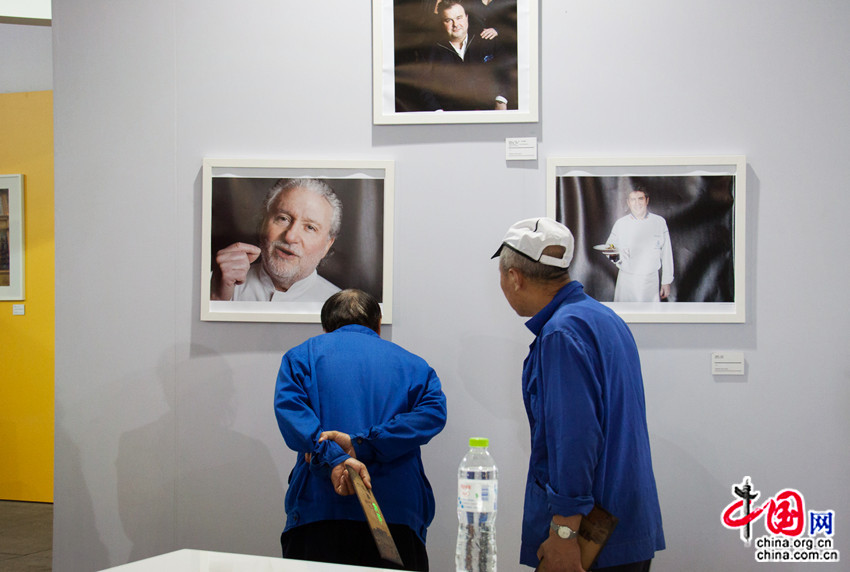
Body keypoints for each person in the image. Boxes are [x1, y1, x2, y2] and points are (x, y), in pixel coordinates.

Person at [492, 217, 665, 572]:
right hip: (626, 523)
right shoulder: (604, 318)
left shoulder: (560, 333)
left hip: (590, 540)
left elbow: (575, 438)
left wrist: (564, 533)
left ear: (514, 277)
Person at [274, 289, 447, 571]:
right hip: (395, 516)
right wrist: (361, 444)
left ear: (326, 328)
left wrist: (333, 456)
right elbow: (432, 415)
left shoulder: (301, 358)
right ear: (378, 326)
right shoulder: (415, 366)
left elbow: (293, 417)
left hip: (319, 512)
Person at [210, 178, 342, 302]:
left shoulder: (344, 310)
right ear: (263, 223)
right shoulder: (212, 286)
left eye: (310, 227)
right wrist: (216, 298)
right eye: (283, 218)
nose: (290, 237)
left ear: (327, 246)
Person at [419, 0, 514, 111]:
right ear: (441, 23)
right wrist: (438, 113)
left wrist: (501, 100)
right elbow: (424, 88)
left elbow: (507, 69)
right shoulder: (430, 52)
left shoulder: (486, 40)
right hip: (452, 115)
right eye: (449, 20)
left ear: (467, 17)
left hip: (489, 109)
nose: (456, 25)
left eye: (459, 18)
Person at [604, 185, 674, 302]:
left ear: (647, 200)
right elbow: (608, 248)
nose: (637, 203)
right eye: (633, 200)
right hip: (627, 280)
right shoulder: (621, 223)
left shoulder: (659, 222)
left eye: (640, 199)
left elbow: (666, 253)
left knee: (649, 316)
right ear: (628, 203)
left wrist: (666, 281)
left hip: (650, 280)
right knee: (625, 315)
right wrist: (620, 259)